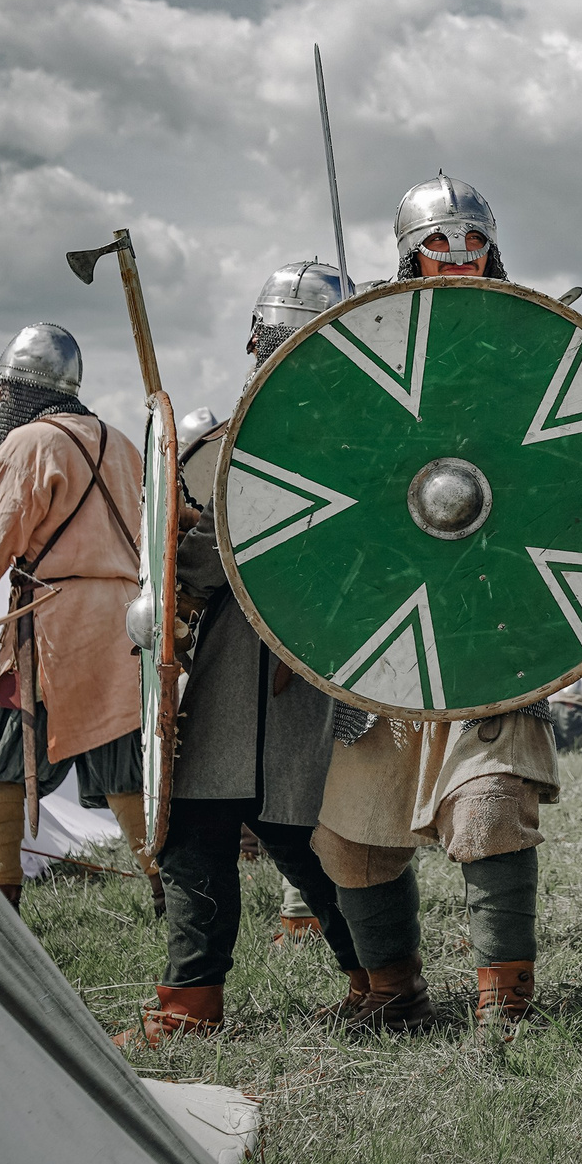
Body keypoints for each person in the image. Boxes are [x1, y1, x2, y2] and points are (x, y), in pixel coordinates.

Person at [309, 175, 559, 1036]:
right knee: (355, 823)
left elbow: (562, 472)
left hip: (492, 609)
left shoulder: (526, 350)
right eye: (438, 243)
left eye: (472, 241)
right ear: (407, 251)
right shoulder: (366, 348)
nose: (457, 258)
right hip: (383, 615)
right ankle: (393, 989)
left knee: (490, 805)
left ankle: (504, 996)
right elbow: (330, 473)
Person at [119, 263, 367, 1047]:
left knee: (277, 836)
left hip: (289, 670)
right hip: (255, 671)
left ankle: (380, 975)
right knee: (239, 831)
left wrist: (184, 542)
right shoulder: (308, 440)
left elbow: (225, 555)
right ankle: (202, 999)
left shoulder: (315, 445)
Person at [0, 324, 156, 915]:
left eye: (6, 391)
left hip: (56, 635)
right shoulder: (121, 442)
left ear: (18, 388)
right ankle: (176, 899)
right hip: (125, 630)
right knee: (128, 775)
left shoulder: (30, 444)